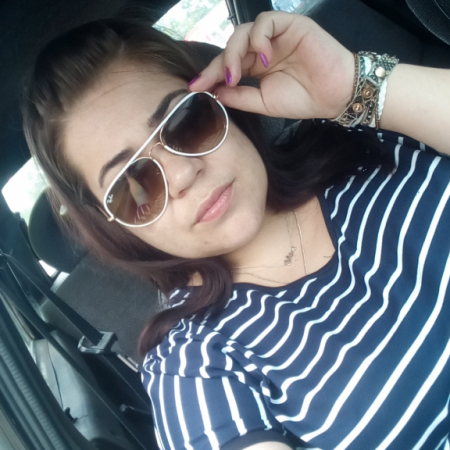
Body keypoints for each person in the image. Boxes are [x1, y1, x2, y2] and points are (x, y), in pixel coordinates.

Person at [22, 9, 450, 450]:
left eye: (185, 123)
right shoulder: (191, 364)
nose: (183, 175)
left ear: (218, 100)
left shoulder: (362, 141)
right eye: (135, 186)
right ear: (115, 225)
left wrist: (352, 87)